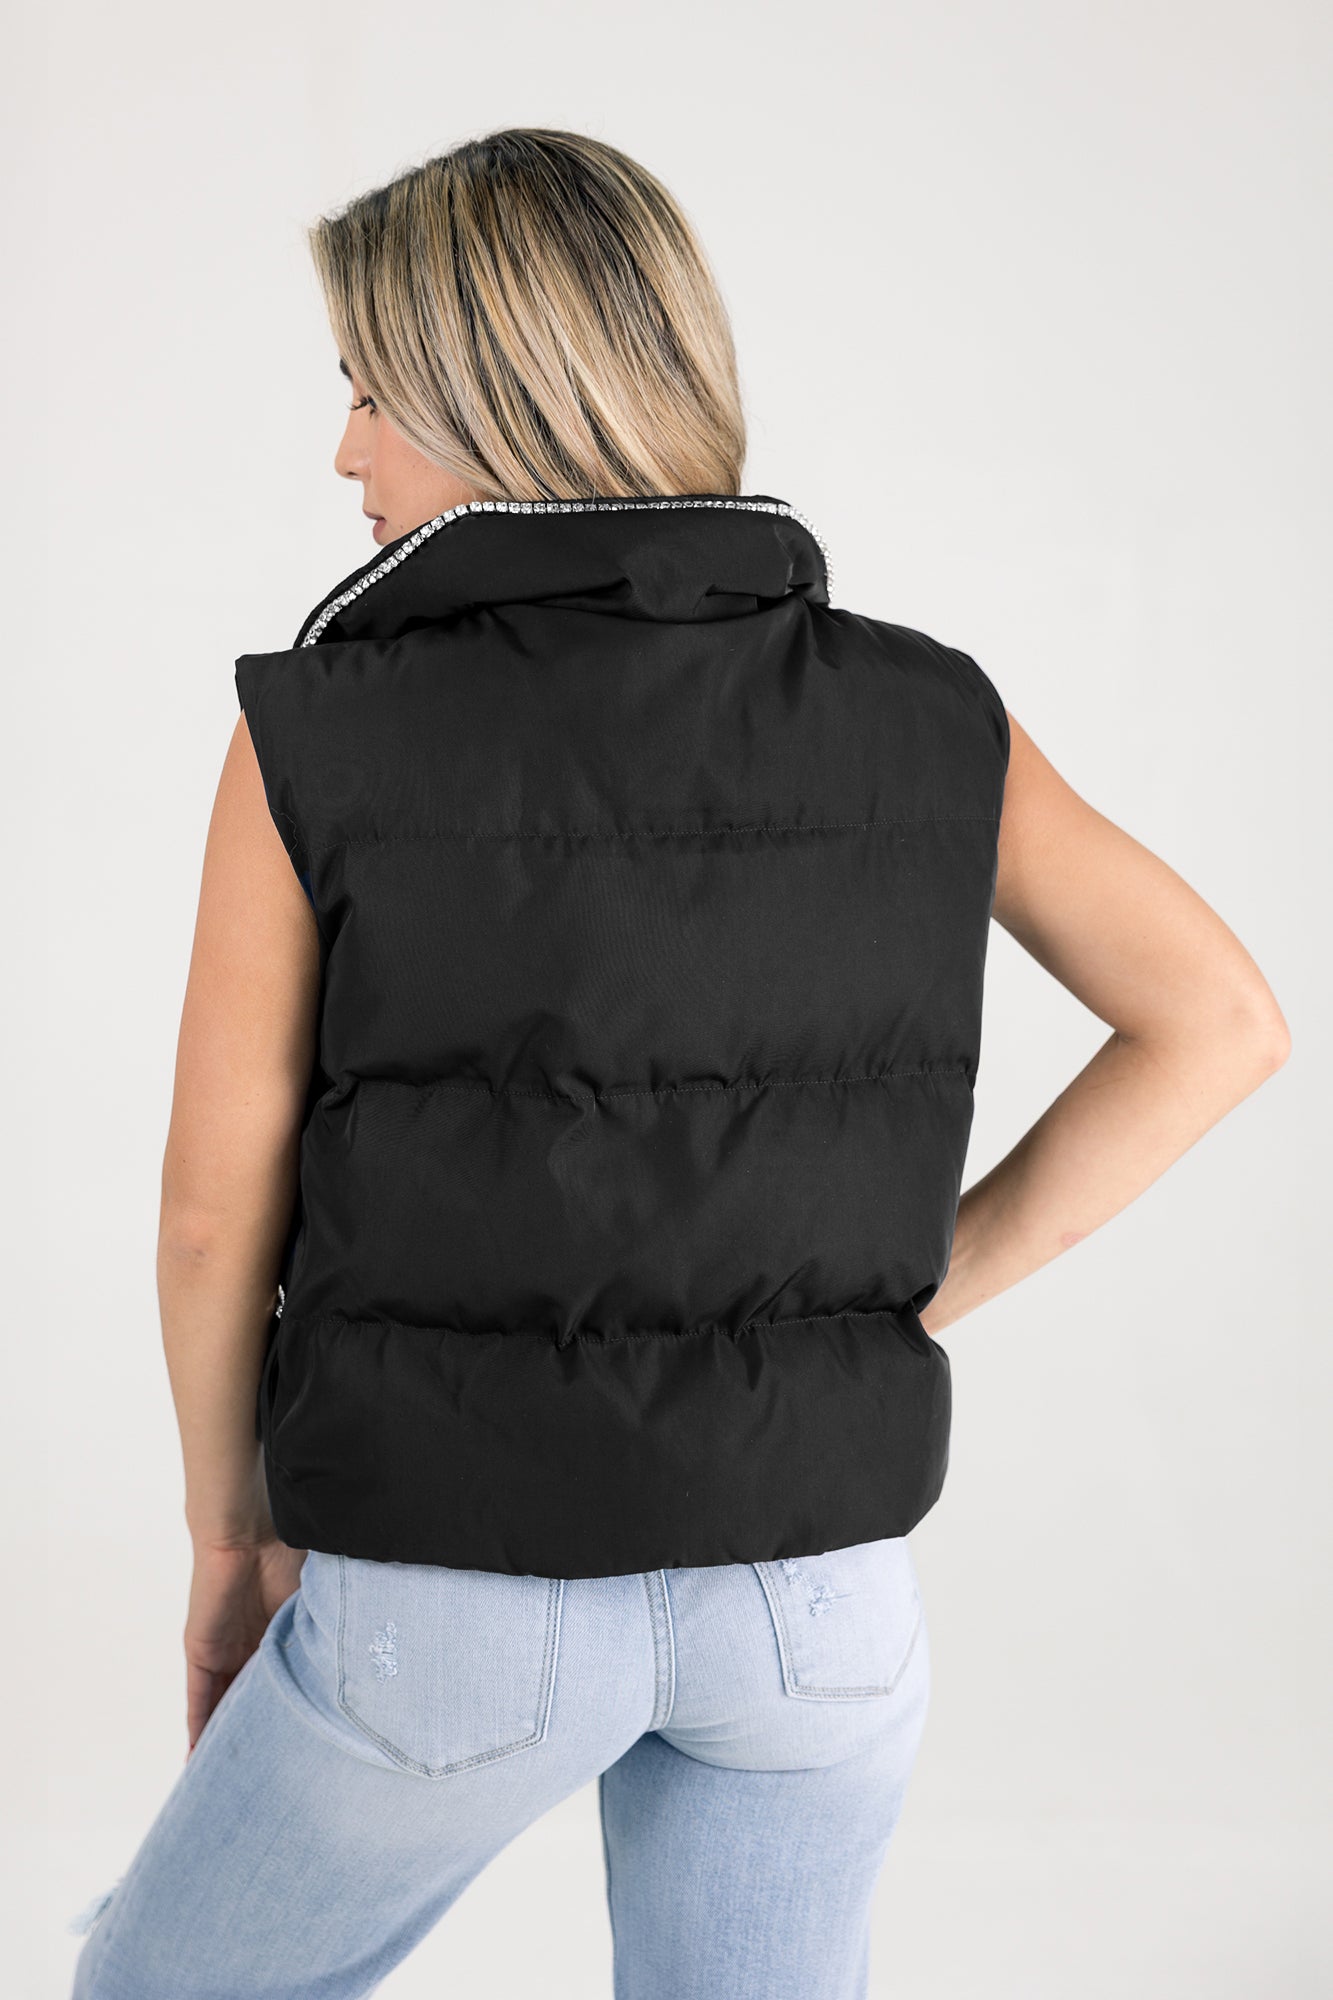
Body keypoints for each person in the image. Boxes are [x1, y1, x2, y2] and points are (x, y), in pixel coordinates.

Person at [68, 128, 1290, 2000]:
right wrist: (888, 1307)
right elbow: (1218, 1019)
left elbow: (206, 1219)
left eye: (368, 390)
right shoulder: (922, 710)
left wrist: (228, 1539)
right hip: (816, 1610)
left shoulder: (321, 728)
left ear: (490, 390)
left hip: (454, 1595)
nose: (343, 451)